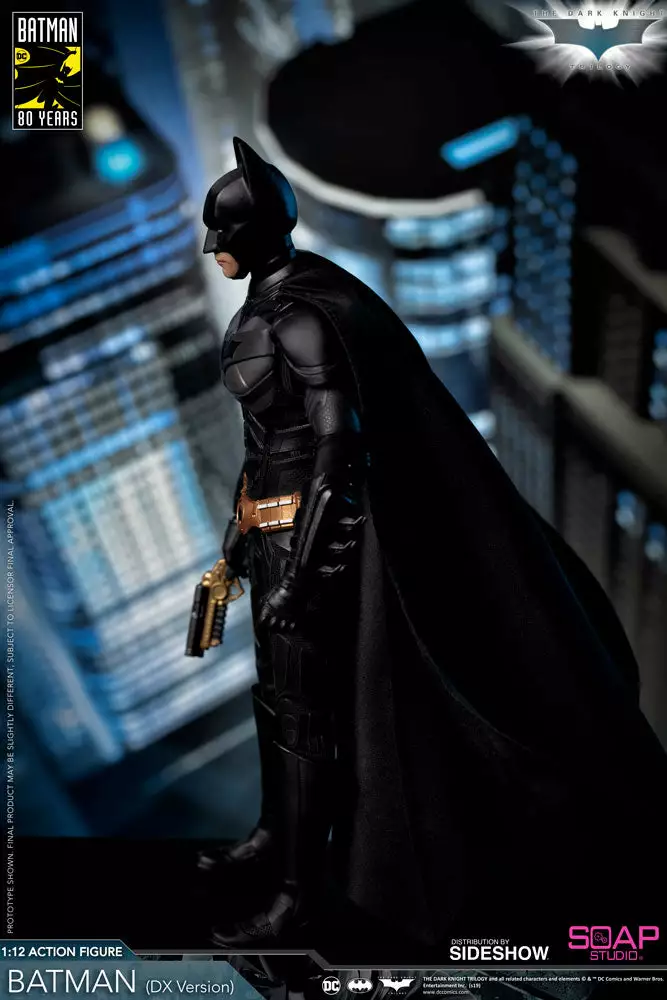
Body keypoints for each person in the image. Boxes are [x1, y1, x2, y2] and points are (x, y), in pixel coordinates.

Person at [197, 137, 667, 952]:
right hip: (272, 536)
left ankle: (299, 894)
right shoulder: (264, 311)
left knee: (309, 714)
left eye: (224, 233)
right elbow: (263, 444)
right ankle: (275, 838)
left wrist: (303, 576)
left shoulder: (305, 319)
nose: (215, 249)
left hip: (319, 549)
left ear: (254, 233)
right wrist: (238, 538)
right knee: (278, 700)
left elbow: (339, 454)